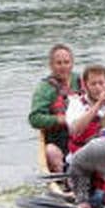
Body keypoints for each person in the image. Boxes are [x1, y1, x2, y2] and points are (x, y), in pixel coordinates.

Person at [28, 43, 81, 172]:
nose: (63, 67)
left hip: (82, 135)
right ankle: (63, 180)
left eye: (66, 62)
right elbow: (35, 119)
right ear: (51, 65)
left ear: (72, 63)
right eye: (59, 63)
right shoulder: (45, 88)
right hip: (58, 140)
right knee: (51, 152)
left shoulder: (82, 81)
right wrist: (62, 119)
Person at [67, 64, 105, 154]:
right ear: (85, 86)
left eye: (101, 83)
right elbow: (75, 130)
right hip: (83, 153)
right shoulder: (76, 103)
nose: (98, 87)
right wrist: (99, 104)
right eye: (93, 84)